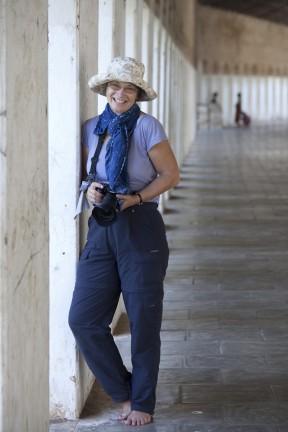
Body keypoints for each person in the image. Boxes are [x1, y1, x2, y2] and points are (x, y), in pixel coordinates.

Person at [68, 56, 180, 426]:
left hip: (141, 224)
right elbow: (84, 177)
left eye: (129, 87)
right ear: (105, 90)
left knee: (144, 321)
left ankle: (143, 402)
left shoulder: (148, 127)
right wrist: (92, 192)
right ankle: (125, 392)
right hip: (102, 227)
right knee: (83, 319)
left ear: (137, 94)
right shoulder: (90, 128)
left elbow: (169, 174)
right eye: (115, 86)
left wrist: (138, 197)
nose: (121, 92)